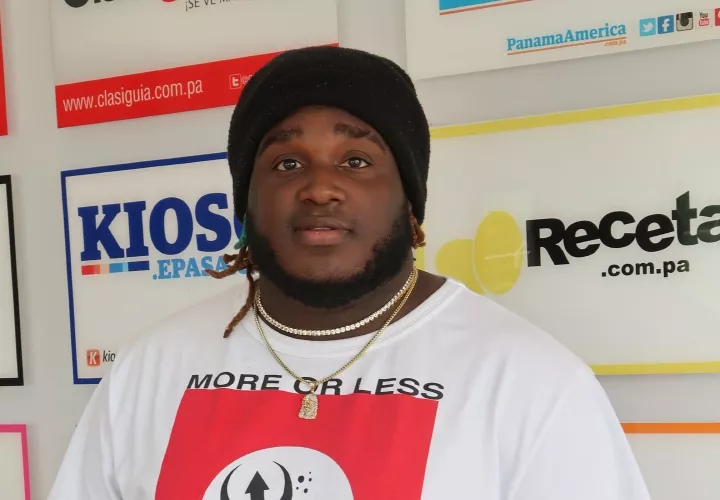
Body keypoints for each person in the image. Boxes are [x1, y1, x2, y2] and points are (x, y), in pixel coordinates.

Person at [48, 46, 651, 500]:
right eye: (286, 163)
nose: (319, 187)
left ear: (409, 198)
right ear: (245, 200)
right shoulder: (152, 367)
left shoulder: (530, 382)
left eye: (356, 160)